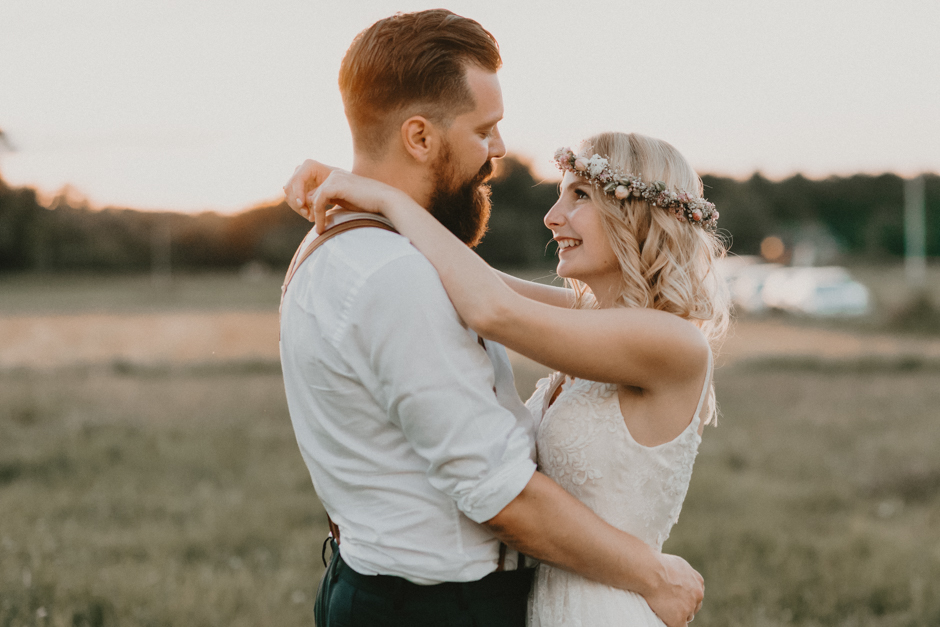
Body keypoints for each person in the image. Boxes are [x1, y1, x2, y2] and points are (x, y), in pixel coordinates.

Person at [279, 9, 704, 627]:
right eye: (486, 129)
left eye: (578, 195)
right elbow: (498, 494)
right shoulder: (395, 273)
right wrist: (653, 574)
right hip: (438, 609)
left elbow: (493, 299)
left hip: (540, 601)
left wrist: (383, 202)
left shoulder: (351, 252)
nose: (500, 150)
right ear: (420, 137)